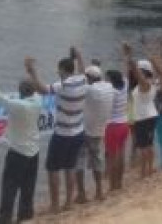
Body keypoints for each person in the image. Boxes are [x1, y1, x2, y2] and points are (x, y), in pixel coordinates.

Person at [25, 47, 86, 214]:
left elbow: (41, 89)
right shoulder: (82, 80)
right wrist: (78, 55)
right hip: (78, 132)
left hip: (63, 134)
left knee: (53, 169)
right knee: (70, 167)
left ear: (62, 70)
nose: (57, 71)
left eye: (58, 69)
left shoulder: (62, 85)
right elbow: (81, 68)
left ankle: (55, 205)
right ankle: (68, 203)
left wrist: (32, 71)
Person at [0, 60, 42, 224]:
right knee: (28, 189)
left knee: (9, 189)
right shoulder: (37, 101)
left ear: (21, 91)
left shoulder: (20, 106)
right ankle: (25, 218)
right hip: (34, 152)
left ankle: (4, 220)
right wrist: (32, 72)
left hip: (18, 153)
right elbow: (36, 88)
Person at [75, 65, 113, 204]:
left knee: (79, 160)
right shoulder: (108, 87)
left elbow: (78, 84)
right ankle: (99, 191)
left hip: (85, 130)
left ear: (89, 78)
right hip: (99, 130)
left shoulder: (89, 89)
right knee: (97, 160)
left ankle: (81, 194)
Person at [122, 44, 161, 178]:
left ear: (143, 72)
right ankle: (149, 169)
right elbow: (134, 73)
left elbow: (135, 71)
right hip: (150, 115)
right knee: (149, 145)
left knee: (144, 147)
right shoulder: (153, 81)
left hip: (143, 118)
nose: (136, 72)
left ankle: (144, 171)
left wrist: (129, 56)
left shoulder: (145, 84)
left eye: (139, 71)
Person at [103, 69, 128, 192]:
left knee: (112, 157)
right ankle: (120, 182)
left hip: (113, 126)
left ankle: (113, 185)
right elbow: (125, 74)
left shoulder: (111, 92)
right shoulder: (125, 85)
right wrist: (127, 57)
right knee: (121, 155)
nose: (105, 80)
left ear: (111, 80)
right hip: (124, 124)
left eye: (106, 78)